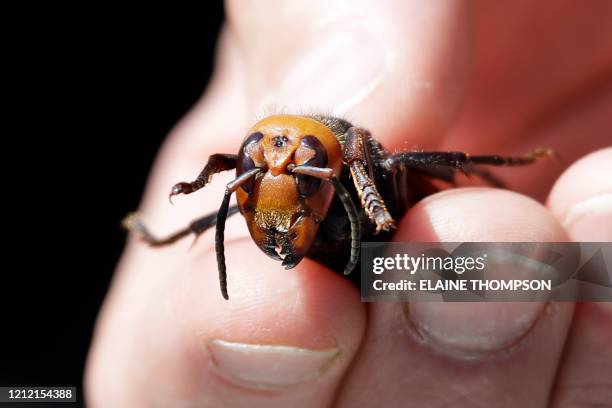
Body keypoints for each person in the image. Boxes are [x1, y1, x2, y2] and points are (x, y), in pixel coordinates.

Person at [86, 1, 612, 406]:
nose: (273, 172)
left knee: (516, 269)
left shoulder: (364, 158)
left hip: (393, 267)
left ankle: (574, 252)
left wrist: (509, 167)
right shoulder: (265, 170)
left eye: (299, 170)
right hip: (360, 283)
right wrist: (194, 196)